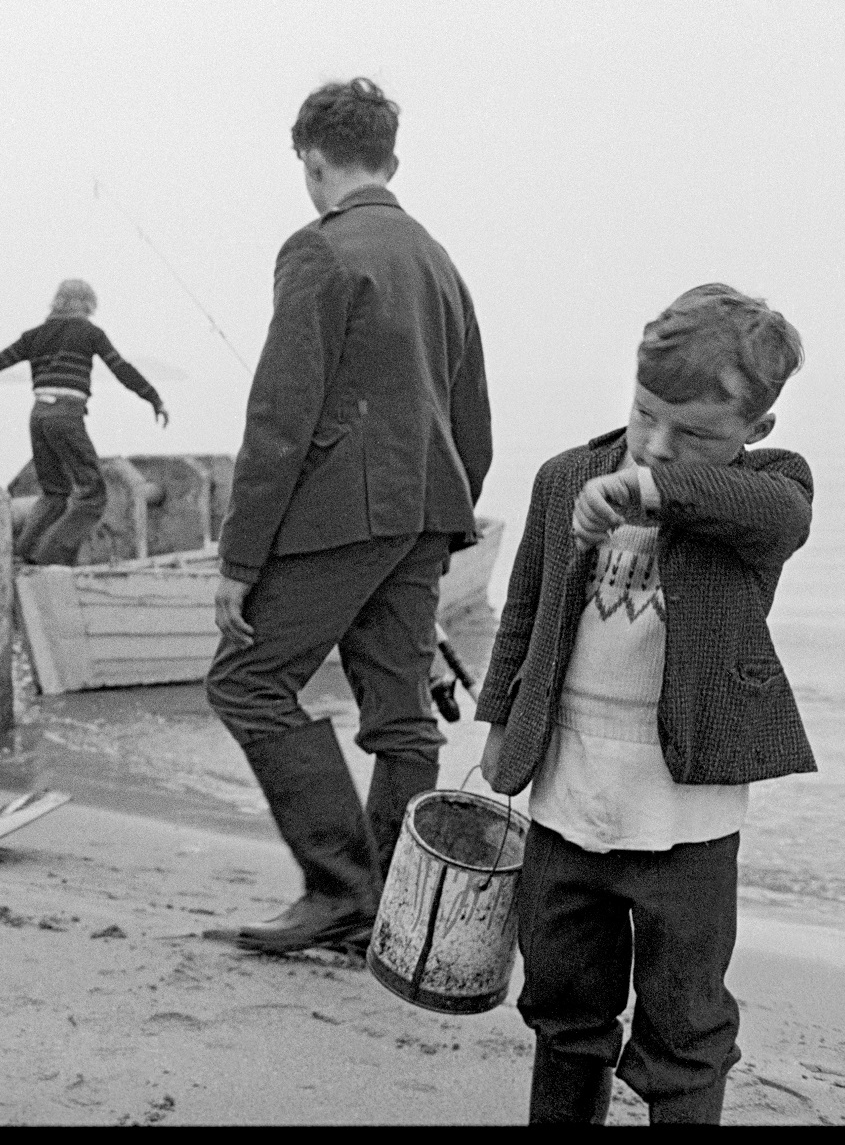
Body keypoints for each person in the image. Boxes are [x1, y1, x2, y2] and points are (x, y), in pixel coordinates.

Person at [477, 286, 812, 1125]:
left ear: (754, 433)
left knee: (687, 1026)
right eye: (644, 414)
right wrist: (496, 726)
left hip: (686, 822)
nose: (658, 444)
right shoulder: (563, 478)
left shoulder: (770, 489)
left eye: (695, 434)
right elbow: (521, 611)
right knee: (562, 1006)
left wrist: (655, 493)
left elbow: (779, 515)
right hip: (564, 802)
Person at [205, 78, 493, 954]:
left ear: (312, 160)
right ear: (391, 160)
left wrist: (239, 557)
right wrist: (445, 517)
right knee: (401, 717)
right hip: (425, 514)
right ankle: (390, 905)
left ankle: (340, 885)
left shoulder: (318, 252)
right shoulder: (439, 259)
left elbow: (280, 417)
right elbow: (471, 417)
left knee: (245, 682)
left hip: (342, 514)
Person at [0, 279, 170, 565]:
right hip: (66, 415)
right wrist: (154, 398)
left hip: (38, 417)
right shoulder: (90, 333)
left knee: (54, 494)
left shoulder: (35, 336)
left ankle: (22, 553)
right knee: (92, 495)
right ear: (88, 304)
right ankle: (49, 557)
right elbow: (121, 368)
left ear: (56, 302)